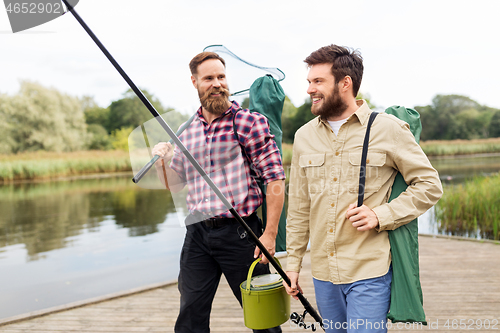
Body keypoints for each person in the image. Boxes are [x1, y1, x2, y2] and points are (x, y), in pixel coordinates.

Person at [284, 44, 443, 333]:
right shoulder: (304, 136)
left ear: (345, 83)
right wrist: (292, 264)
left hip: (369, 270)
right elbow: (298, 207)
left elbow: (430, 185)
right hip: (322, 274)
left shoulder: (389, 129)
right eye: (309, 81)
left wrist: (382, 214)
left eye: (318, 81)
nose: (310, 89)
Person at [151, 52, 285, 333]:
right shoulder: (185, 132)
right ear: (195, 82)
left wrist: (269, 234)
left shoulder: (249, 122)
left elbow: (274, 179)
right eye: (209, 78)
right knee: (190, 314)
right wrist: (162, 161)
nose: (217, 84)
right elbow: (175, 183)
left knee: (263, 317)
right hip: (197, 232)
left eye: (221, 77)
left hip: (241, 233)